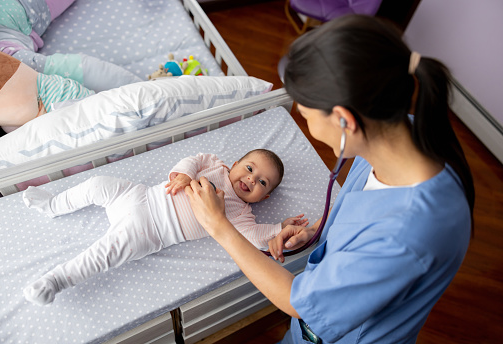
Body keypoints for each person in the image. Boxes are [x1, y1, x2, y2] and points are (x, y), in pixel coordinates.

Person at [184, 15, 474, 343]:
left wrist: (220, 226)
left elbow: (299, 302)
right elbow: (364, 210)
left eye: (305, 115)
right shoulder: (393, 135)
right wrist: (320, 228)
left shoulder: (407, 234)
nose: (306, 123)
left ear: (344, 120)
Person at [21, 149, 308, 306]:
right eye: (249, 168)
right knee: (97, 185)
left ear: (265, 197)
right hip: (140, 195)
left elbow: (256, 239)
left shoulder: (241, 216)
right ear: (234, 164)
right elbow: (194, 158)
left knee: (105, 252)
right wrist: (184, 174)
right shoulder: (215, 165)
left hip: (151, 231)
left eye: (262, 183)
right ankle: (53, 205)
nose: (251, 179)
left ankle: (55, 281)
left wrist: (278, 228)